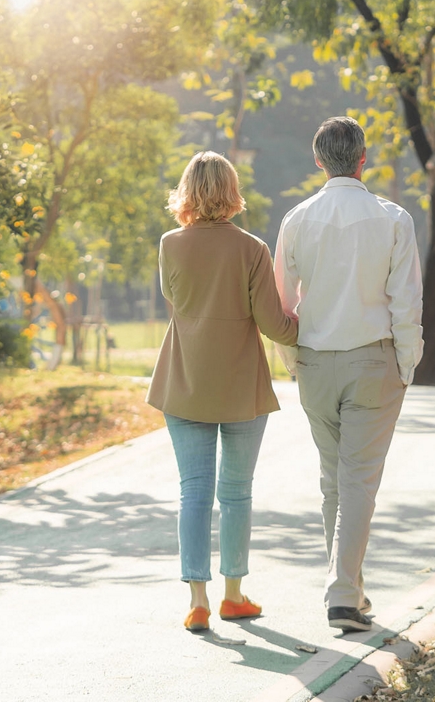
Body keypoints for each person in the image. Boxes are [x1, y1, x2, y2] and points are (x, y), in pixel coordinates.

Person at [273, 116, 423, 632]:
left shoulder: (296, 219)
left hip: (315, 361)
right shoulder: (393, 219)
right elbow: (406, 301)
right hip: (372, 359)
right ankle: (342, 595)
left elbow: (281, 302)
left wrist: (294, 360)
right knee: (357, 480)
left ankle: (351, 591)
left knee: (334, 479)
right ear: (364, 159)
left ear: (319, 161)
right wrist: (407, 362)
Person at [146, 151, 299, 633]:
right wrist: (315, 322)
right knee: (236, 493)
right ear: (232, 190)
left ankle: (197, 601)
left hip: (184, 378)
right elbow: (274, 325)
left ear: (187, 190)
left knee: (193, 493)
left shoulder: (170, 244)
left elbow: (176, 304)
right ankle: (234, 596)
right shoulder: (253, 249)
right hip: (240, 386)